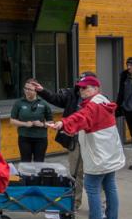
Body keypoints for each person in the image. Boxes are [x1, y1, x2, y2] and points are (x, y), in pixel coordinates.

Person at [47, 75, 125, 219]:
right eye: (80, 88)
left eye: (86, 87)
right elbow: (83, 118)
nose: (81, 90)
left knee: (92, 188)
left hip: (98, 157)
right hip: (110, 155)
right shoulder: (102, 101)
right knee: (110, 187)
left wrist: (63, 123)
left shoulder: (93, 105)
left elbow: (81, 117)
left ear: (96, 88)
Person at [32, 73, 93, 209]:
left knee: (95, 174)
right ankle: (75, 202)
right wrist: (42, 90)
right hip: (75, 141)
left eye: (84, 86)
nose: (80, 88)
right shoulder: (73, 94)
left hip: (92, 143)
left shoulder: (99, 101)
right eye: (79, 84)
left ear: (93, 87)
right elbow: (56, 98)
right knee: (75, 173)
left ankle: (101, 206)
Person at [10, 80, 53, 162]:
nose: (26, 91)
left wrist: (42, 124)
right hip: (24, 138)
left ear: (36, 91)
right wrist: (25, 124)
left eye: (30, 89)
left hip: (40, 139)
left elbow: (51, 123)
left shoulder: (44, 104)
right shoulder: (18, 103)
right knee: (25, 163)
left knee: (39, 163)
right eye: (25, 88)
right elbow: (12, 121)